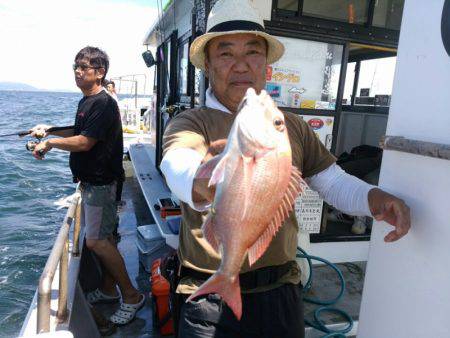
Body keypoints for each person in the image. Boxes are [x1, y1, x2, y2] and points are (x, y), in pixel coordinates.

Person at [160, 1, 411, 337]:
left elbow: (332, 182)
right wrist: (205, 177)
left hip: (280, 293)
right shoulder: (190, 122)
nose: (240, 65)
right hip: (208, 297)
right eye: (225, 54)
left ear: (267, 65)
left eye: (252, 52)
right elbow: (177, 167)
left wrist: (375, 199)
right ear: (207, 64)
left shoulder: (287, 125)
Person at [30, 46, 144, 326]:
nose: (78, 72)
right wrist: (51, 130)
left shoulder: (103, 103)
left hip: (101, 184)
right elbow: (80, 131)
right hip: (92, 183)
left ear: (100, 72)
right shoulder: (87, 101)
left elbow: (84, 142)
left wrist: (51, 143)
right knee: (106, 237)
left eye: (84, 67)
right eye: (76, 67)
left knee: (96, 241)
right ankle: (108, 290)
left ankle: (131, 296)